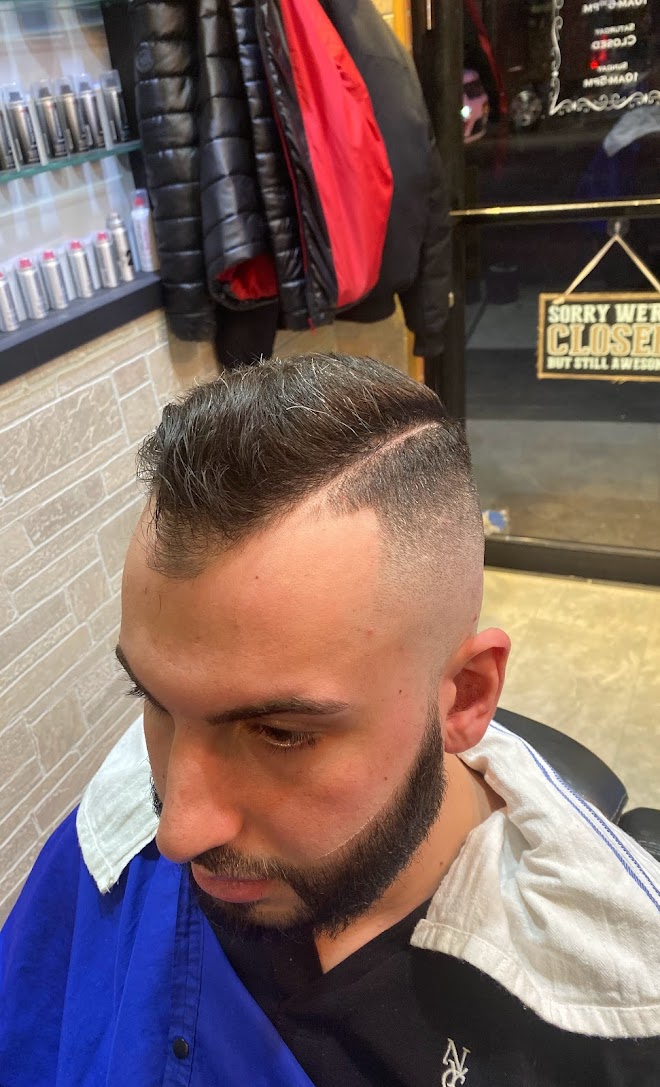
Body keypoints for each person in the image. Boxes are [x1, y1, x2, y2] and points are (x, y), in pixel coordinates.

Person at [1, 354, 659, 1087]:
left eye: (282, 734)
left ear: (466, 697)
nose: (177, 834)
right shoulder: (108, 851)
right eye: (152, 701)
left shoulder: (610, 1037)